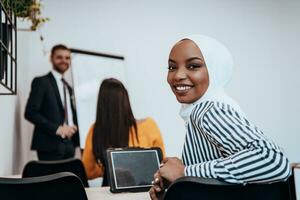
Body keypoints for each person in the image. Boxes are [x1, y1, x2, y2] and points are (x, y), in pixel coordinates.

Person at [149, 35, 291, 199]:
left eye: (193, 66)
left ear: (216, 69)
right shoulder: (207, 109)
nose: (178, 75)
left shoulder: (209, 110)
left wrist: (185, 172)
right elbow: (219, 185)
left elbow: (273, 160)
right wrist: (176, 185)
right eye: (172, 68)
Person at [82, 78, 165, 185]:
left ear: (102, 105)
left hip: (109, 192)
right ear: (125, 100)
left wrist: (108, 169)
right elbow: (161, 165)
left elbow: (87, 171)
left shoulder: (96, 130)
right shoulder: (149, 125)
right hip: (144, 190)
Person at [25, 44, 79, 161]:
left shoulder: (68, 87)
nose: (64, 61)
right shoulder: (41, 82)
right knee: (50, 179)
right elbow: (30, 112)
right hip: (49, 145)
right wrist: (57, 129)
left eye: (67, 58)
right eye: (59, 57)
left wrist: (73, 125)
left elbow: (68, 113)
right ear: (51, 58)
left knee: (68, 179)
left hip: (70, 145)